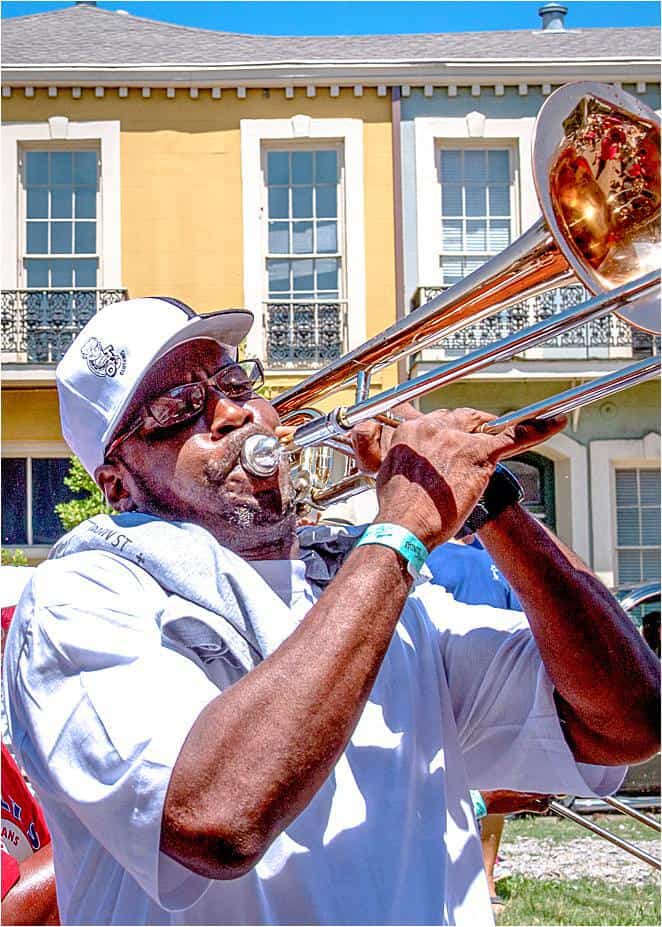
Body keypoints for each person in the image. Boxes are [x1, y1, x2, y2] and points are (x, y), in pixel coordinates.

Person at [3, 296, 659, 926]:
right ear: (118, 482)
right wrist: (401, 529)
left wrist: (489, 501)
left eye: (235, 380)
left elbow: (625, 722)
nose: (233, 413)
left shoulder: (377, 587)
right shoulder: (82, 597)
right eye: (179, 407)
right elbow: (215, 816)